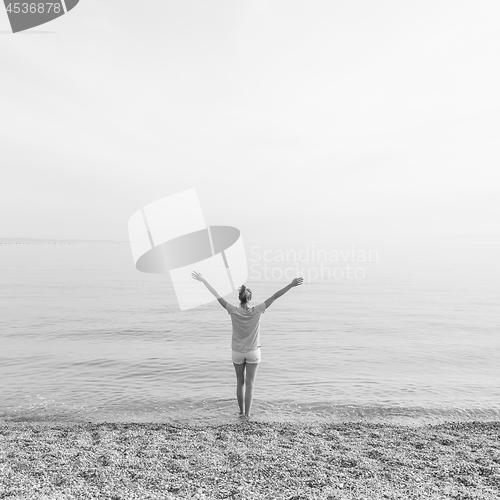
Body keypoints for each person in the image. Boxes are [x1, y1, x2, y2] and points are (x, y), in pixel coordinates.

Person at [191, 271, 303, 419]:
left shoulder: (232, 310)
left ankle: (241, 413)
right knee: (250, 383)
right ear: (250, 299)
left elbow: (217, 295)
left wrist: (203, 280)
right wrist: (291, 284)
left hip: (237, 351)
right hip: (253, 352)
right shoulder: (258, 310)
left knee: (240, 382)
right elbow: (275, 296)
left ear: (239, 298)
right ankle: (248, 415)